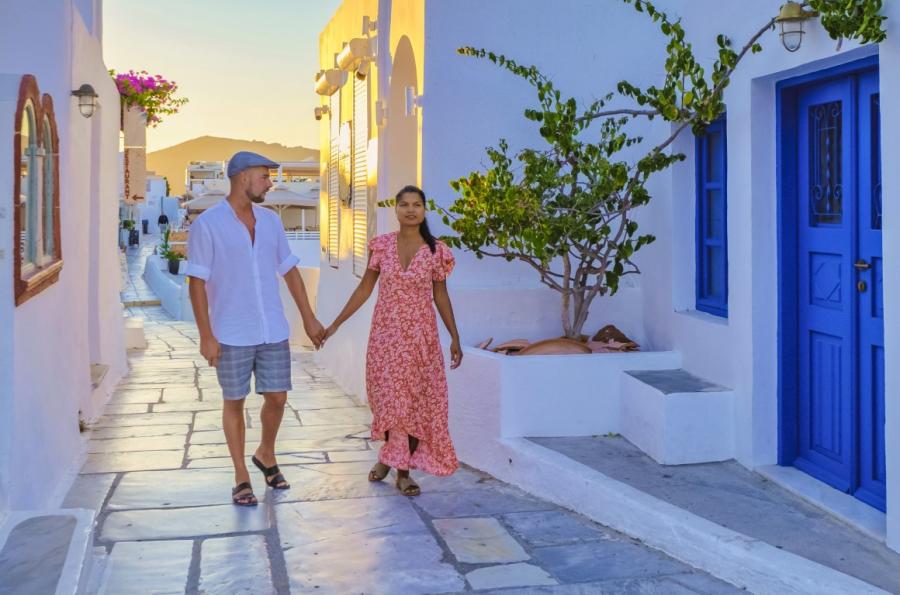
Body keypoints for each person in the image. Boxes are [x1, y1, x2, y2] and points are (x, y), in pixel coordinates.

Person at [185, 151, 326, 506]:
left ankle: (266, 452)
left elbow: (290, 270)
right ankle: (241, 475)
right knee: (234, 401)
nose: (269, 183)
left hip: (272, 328)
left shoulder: (270, 222)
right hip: (230, 330)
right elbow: (196, 282)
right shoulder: (208, 224)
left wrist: (308, 317)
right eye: (264, 176)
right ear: (243, 176)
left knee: (277, 397)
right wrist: (206, 335)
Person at [325, 185, 462, 496]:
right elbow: (364, 290)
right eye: (404, 204)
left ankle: (403, 472)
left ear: (425, 210)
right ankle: (389, 456)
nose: (410, 210)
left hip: (420, 339)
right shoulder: (382, 246)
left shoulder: (435, 251)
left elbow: (441, 295)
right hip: (386, 337)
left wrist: (454, 335)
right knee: (388, 400)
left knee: (412, 403)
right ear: (396, 210)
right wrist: (335, 325)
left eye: (416, 205)